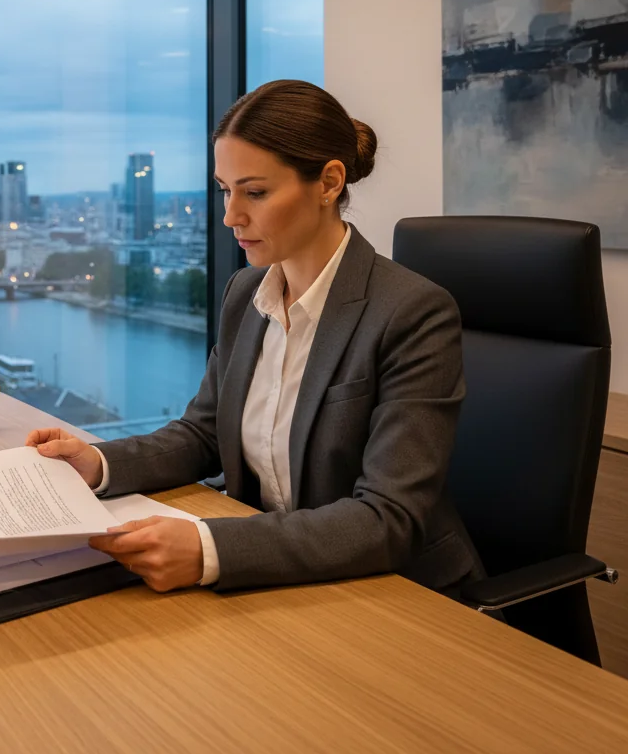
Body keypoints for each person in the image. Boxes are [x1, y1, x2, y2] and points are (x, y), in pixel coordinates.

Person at [26, 80, 483, 598]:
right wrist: (101, 462)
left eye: (256, 192)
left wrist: (208, 549)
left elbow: (388, 518)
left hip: (396, 594)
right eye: (225, 190)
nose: (230, 216)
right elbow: (203, 435)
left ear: (329, 183)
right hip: (281, 584)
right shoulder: (247, 293)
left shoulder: (412, 313)